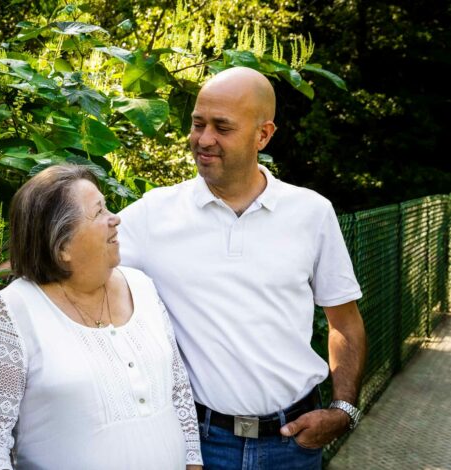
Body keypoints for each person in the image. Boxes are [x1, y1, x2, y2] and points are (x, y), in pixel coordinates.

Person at [118, 67, 367, 469]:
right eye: (198, 124)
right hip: (198, 446)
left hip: (294, 445)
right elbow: (71, 254)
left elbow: (344, 323)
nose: (203, 139)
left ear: (263, 135)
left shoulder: (312, 213)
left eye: (222, 127)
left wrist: (343, 411)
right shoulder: (153, 214)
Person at [0, 165, 203, 469]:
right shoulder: (15, 309)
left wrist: (193, 464)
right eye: (99, 212)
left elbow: (178, 393)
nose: (115, 219)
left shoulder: (142, 287)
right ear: (62, 247)